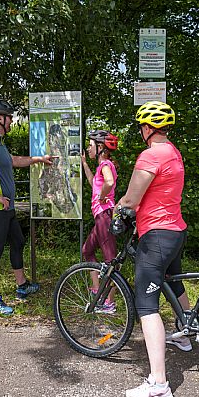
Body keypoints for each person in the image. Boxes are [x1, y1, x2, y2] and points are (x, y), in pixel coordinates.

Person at [115, 101, 191, 397]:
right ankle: (186, 333)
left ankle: (159, 384)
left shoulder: (150, 155)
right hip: (175, 230)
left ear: (146, 128)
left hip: (157, 235)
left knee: (147, 305)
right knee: (173, 280)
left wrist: (117, 208)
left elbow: (132, 198)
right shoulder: (173, 151)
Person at [0, 98, 56, 315]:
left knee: (18, 241)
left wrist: (39, 159)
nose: (11, 121)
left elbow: (14, 160)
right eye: (9, 117)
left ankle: (22, 285)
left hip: (6, 209)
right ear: (0, 118)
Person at [81, 130, 118, 313]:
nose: (88, 148)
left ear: (100, 147)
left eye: (91, 145)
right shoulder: (101, 166)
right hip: (100, 217)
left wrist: (103, 197)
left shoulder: (105, 164)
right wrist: (85, 164)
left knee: (110, 260)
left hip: (105, 216)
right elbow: (94, 183)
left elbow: (109, 182)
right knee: (87, 250)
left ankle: (109, 303)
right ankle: (97, 290)